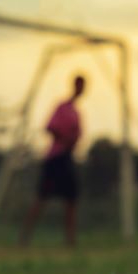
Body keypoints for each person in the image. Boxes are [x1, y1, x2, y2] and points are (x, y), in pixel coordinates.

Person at [20, 74, 86, 247]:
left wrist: (72, 143)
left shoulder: (76, 112)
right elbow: (49, 127)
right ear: (74, 85)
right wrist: (63, 140)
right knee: (42, 197)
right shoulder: (62, 107)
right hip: (55, 158)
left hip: (68, 158)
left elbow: (78, 135)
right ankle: (24, 237)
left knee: (71, 199)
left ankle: (70, 240)